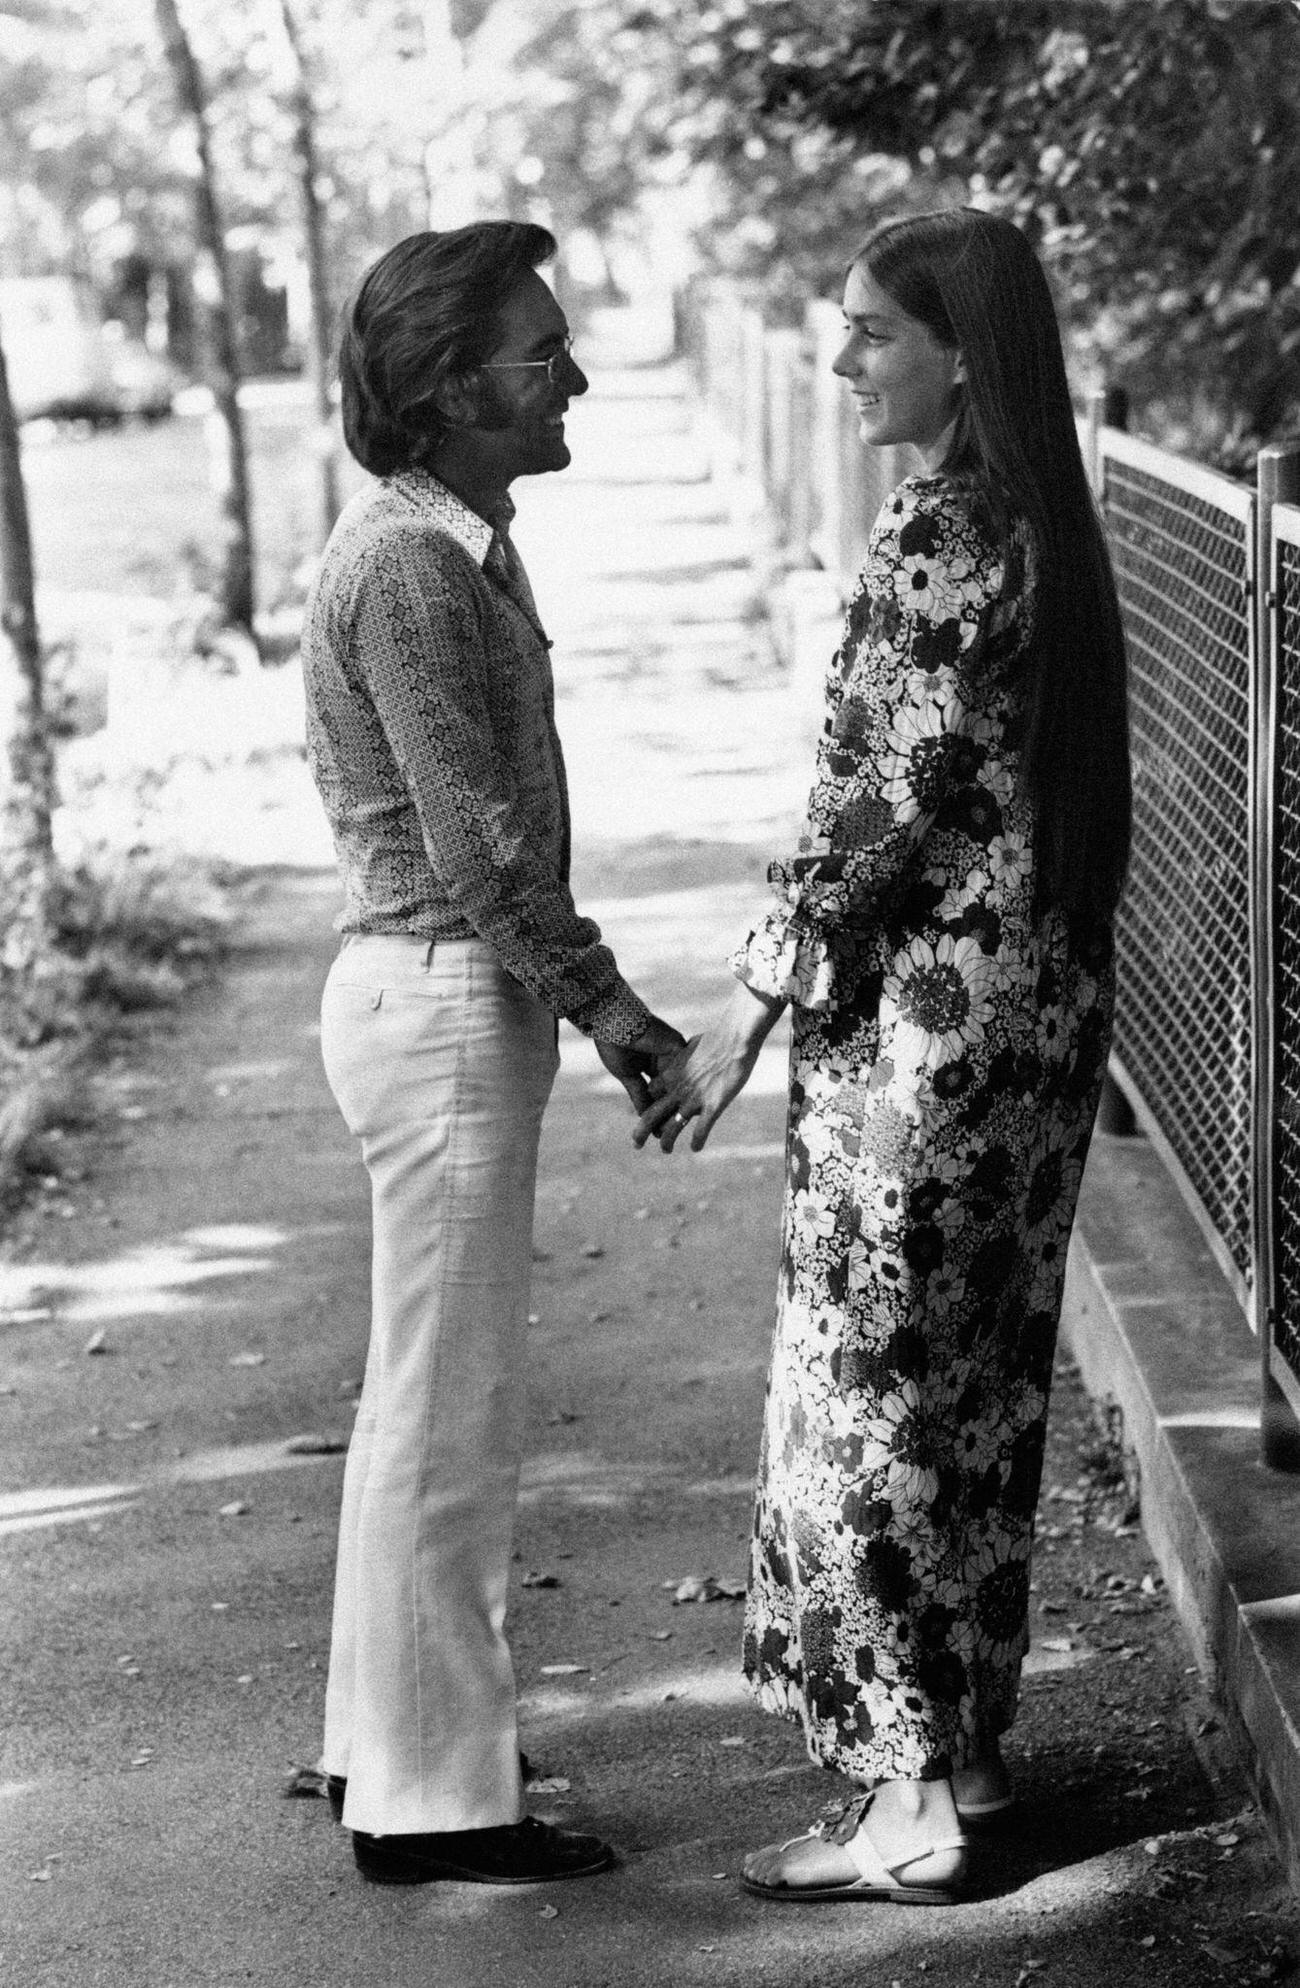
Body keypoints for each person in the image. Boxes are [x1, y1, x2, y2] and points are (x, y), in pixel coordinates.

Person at [638, 207, 1131, 1904]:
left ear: (961, 357)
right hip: (1029, 1029)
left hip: (924, 1055)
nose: (839, 362)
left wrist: (746, 1008)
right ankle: (971, 1757)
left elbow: (870, 822)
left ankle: (905, 1802)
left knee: (870, 1404)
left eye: (868, 333)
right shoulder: (1046, 528)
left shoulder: (946, 533)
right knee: (977, 1385)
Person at [301, 222, 682, 1888]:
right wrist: (614, 1008)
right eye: (541, 354)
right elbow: (479, 846)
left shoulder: (451, 540)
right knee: (450, 1423)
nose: (575, 374)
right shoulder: (409, 564)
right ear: (449, 389)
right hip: (446, 1002)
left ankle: (376, 1742)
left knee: (419, 1406)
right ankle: (435, 1805)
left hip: (444, 1001)